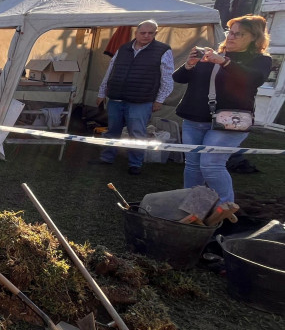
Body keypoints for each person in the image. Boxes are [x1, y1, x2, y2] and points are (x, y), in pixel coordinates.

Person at [172, 14, 271, 205]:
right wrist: (189, 64)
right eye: (230, 32)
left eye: (239, 34)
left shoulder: (260, 60)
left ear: (254, 38)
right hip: (195, 118)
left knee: (211, 165)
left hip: (229, 122)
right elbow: (180, 78)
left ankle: (225, 208)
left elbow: (253, 79)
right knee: (193, 165)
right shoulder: (212, 55)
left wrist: (223, 62)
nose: (231, 37)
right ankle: (193, 207)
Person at [91, 20, 175, 175]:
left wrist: (159, 100)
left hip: (141, 100)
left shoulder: (163, 50)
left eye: (151, 33)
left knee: (137, 133)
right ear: (136, 33)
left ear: (156, 34)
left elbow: (167, 78)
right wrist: (102, 93)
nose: (146, 36)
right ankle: (107, 157)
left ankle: (135, 163)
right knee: (112, 131)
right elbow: (110, 71)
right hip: (116, 98)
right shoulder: (123, 48)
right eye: (143, 33)